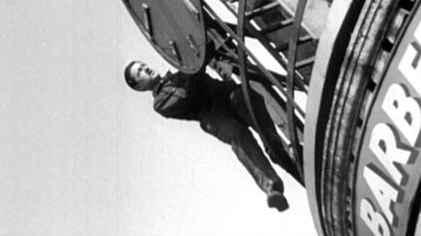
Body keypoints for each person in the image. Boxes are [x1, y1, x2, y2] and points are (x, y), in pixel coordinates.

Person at [124, 60, 297, 211]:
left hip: (225, 94)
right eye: (139, 71)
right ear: (139, 87)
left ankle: (276, 150)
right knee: (237, 134)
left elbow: (199, 58)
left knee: (248, 98)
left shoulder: (179, 72)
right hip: (214, 116)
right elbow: (186, 94)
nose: (145, 69)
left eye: (143, 65)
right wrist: (197, 63)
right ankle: (272, 188)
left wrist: (199, 55)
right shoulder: (160, 103)